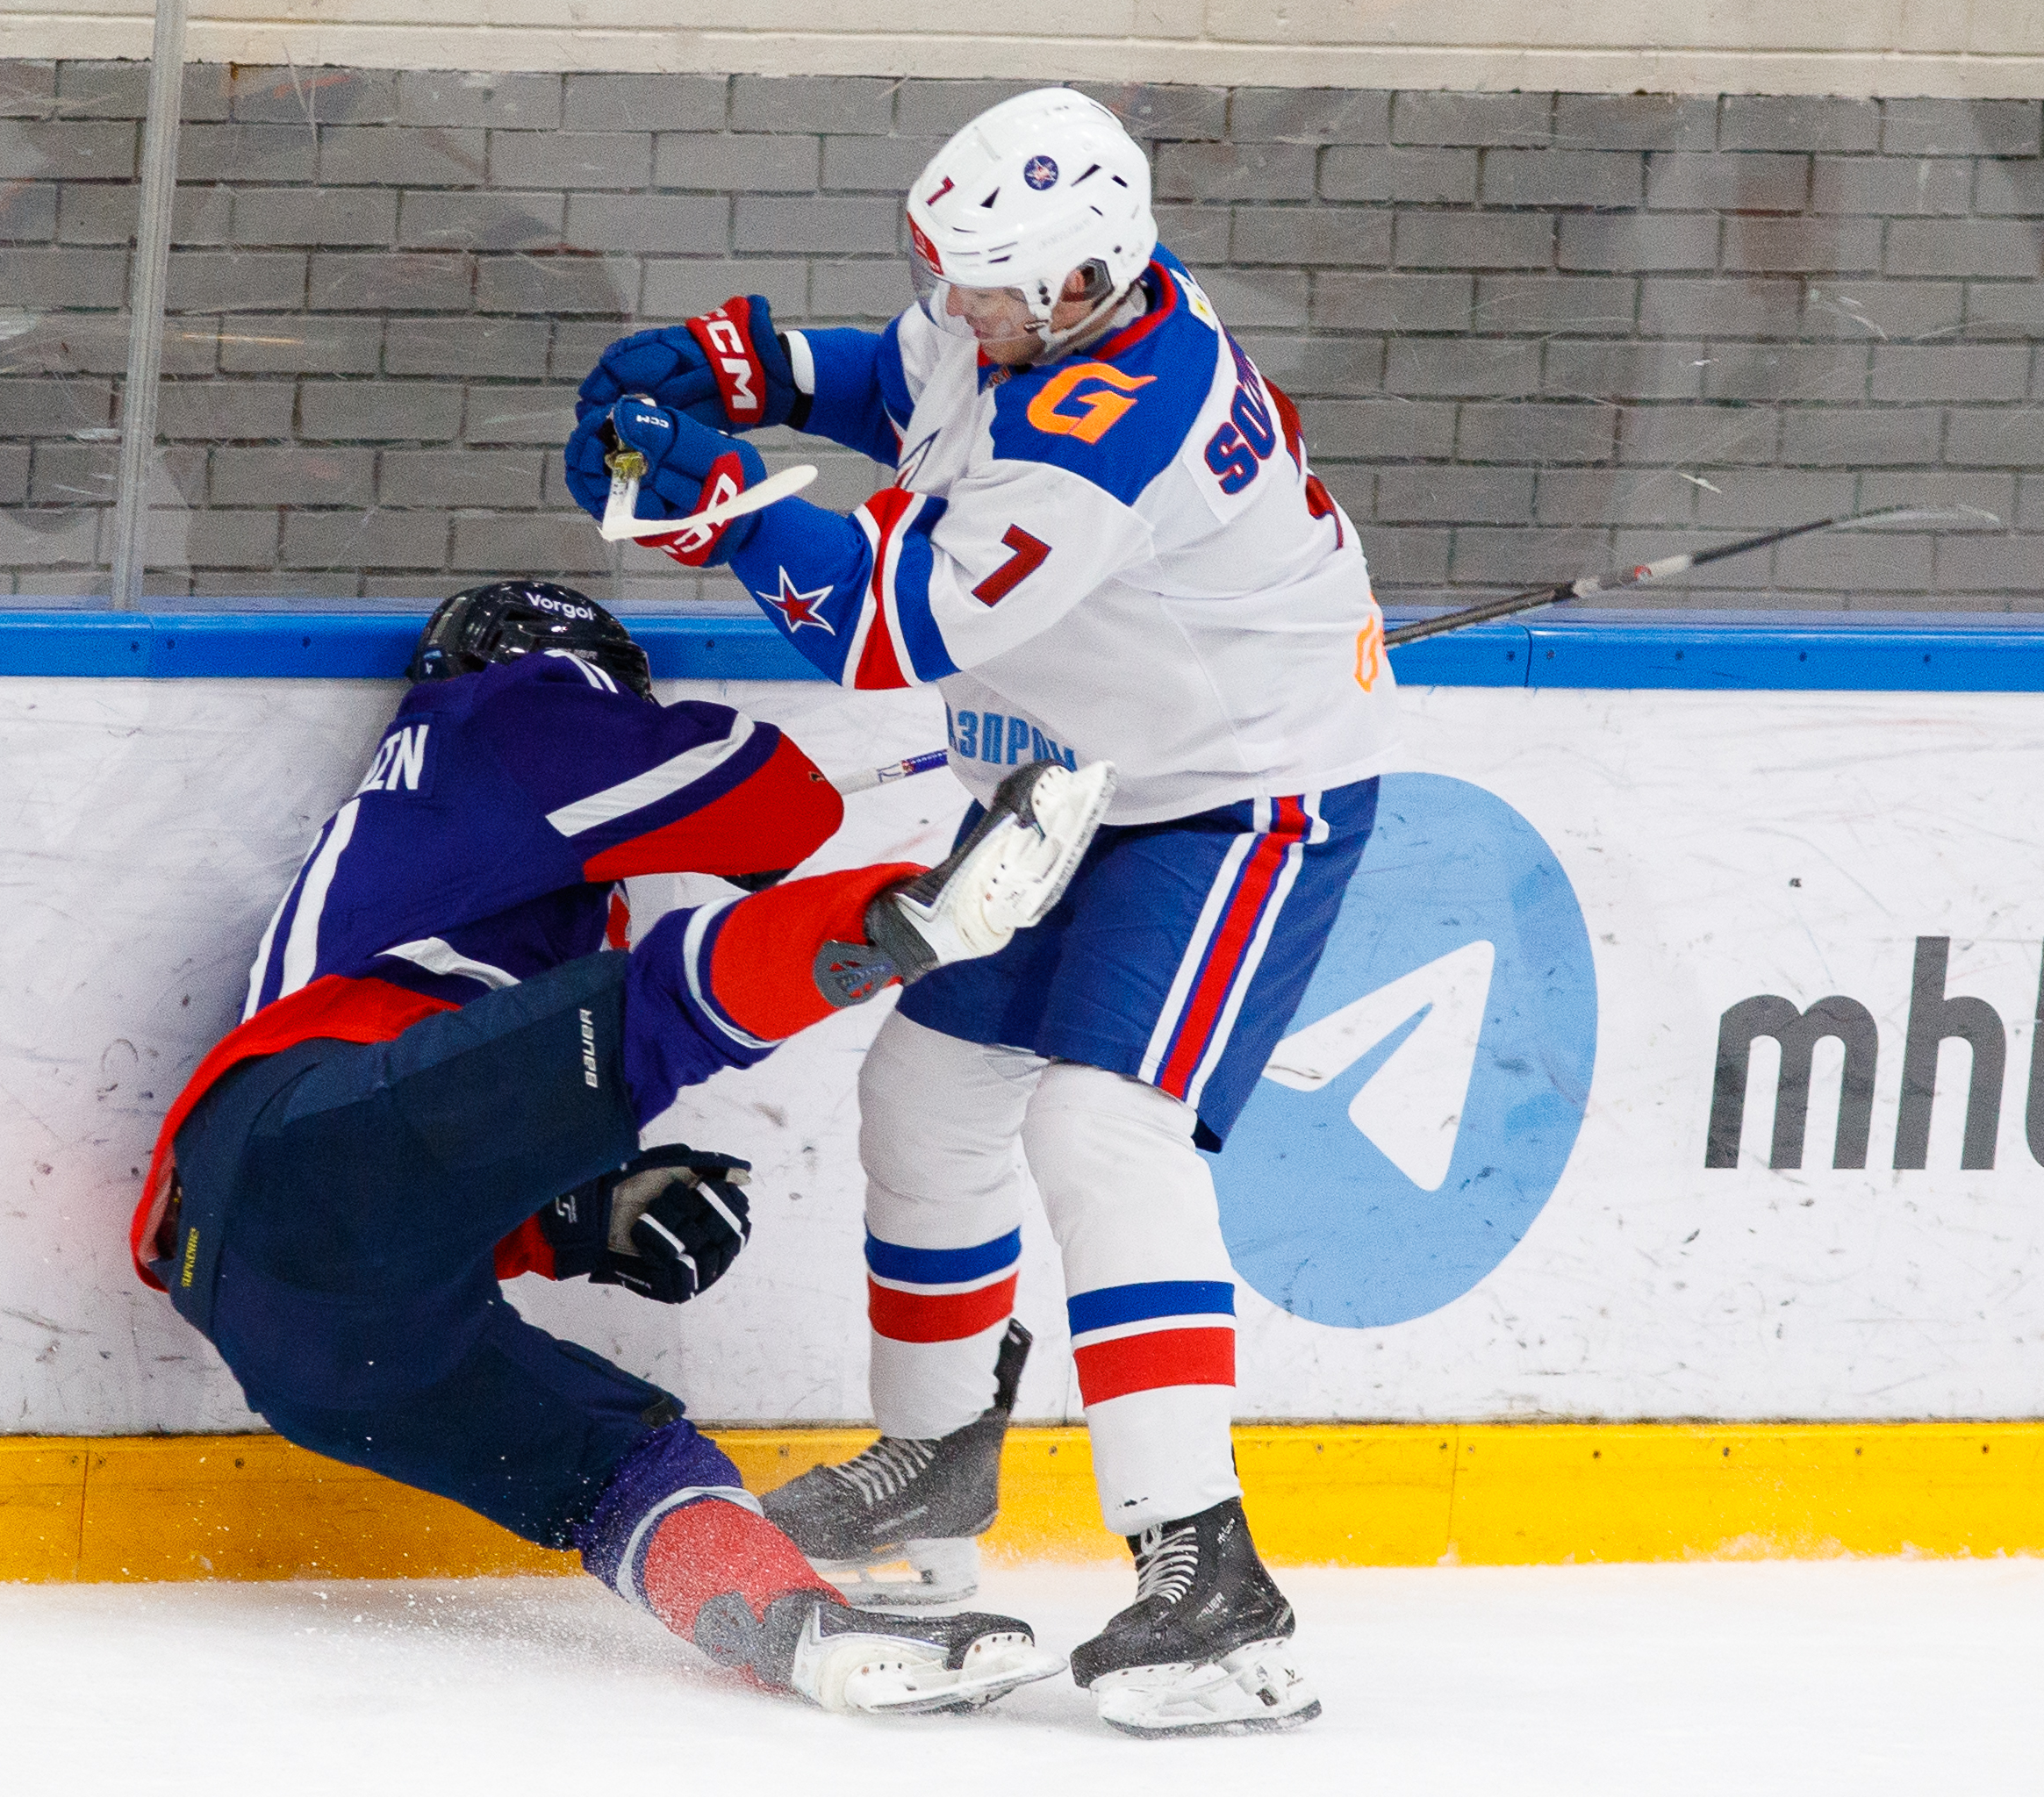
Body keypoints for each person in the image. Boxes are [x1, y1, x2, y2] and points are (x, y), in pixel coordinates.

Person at [565, 85, 1396, 1735]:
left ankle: (1206, 1572)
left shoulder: (1119, 421)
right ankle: (937, 1470)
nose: (954, 304)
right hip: (1078, 781)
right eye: (942, 269)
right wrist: (742, 369)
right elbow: (894, 382)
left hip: (1237, 798)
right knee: (927, 1093)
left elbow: (890, 630)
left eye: (986, 284)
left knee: (1106, 1129)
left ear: (1086, 278)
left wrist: (725, 501)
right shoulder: (1024, 313)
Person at [128, 581, 1111, 1716]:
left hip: (277, 1305)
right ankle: (909, 919)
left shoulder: (454, 848)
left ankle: (803, 1631)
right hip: (303, 1145)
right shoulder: (501, 713)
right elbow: (777, 805)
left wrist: (584, 1221)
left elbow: (397, 1174)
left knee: (624, 1464)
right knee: (645, 1007)